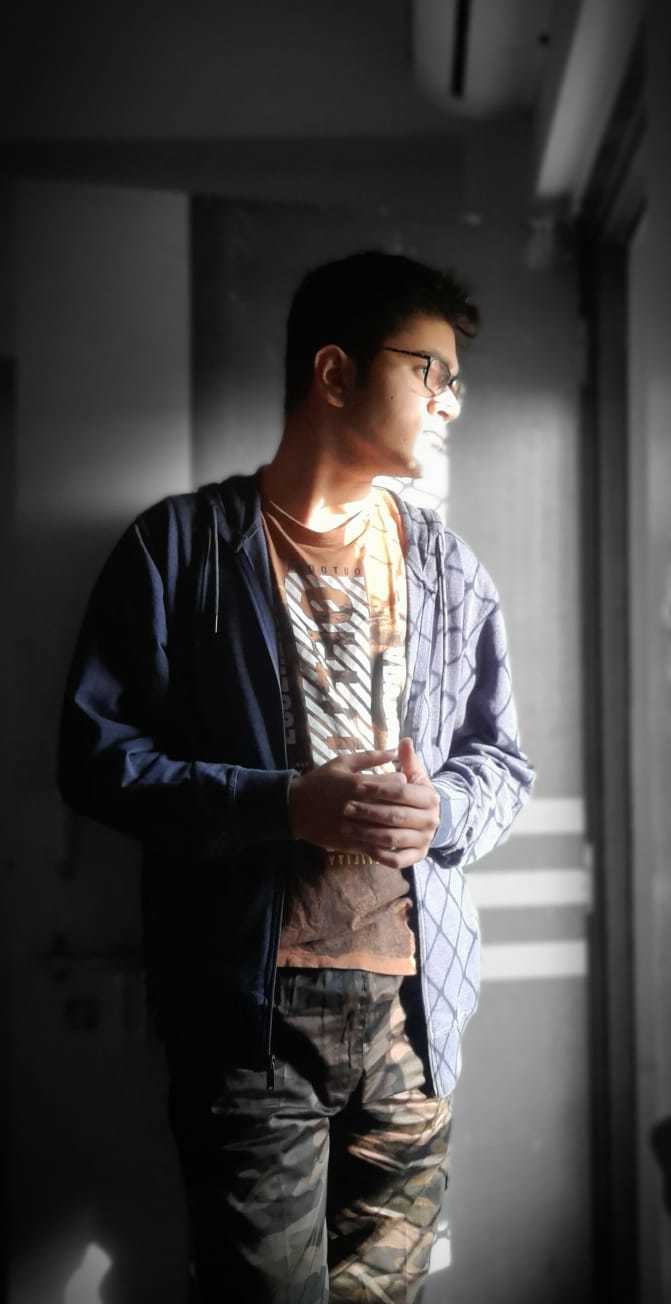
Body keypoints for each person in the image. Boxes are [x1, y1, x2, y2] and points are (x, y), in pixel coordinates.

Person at [58, 250, 535, 1303]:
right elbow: (96, 761)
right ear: (334, 372)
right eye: (429, 371)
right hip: (250, 1021)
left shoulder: (447, 570)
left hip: (414, 1018)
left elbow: (502, 764)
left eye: (456, 381)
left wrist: (441, 811)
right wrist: (281, 803)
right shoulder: (180, 548)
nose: (450, 401)